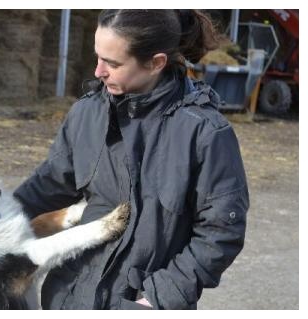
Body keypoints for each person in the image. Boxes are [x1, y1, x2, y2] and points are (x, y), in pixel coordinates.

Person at [14, 9, 249, 310]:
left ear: (155, 63)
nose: (98, 71)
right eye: (97, 57)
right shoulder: (86, 113)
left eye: (112, 63)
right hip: (68, 299)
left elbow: (221, 231)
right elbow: (47, 184)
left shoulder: (205, 133)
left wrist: (160, 297)